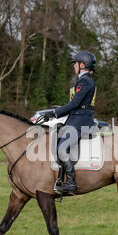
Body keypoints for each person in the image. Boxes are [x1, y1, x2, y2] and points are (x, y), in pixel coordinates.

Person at [42, 50, 97, 194]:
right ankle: (59, 177)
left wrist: (55, 112)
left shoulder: (85, 81)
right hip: (75, 119)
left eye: (76, 64)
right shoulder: (82, 80)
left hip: (80, 122)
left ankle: (71, 183)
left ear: (83, 65)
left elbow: (74, 104)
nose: (74, 66)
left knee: (61, 149)